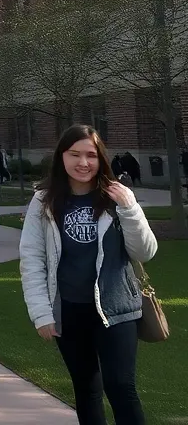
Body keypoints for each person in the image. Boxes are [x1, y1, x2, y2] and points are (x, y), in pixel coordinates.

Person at [19, 125, 157, 425]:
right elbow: (32, 259)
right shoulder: (44, 200)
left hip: (117, 309)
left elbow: (145, 252)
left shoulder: (116, 196)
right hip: (70, 310)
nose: (84, 162)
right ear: (62, 157)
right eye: (75, 154)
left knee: (121, 387)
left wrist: (129, 208)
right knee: (87, 390)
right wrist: (41, 314)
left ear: (101, 158)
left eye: (91, 155)